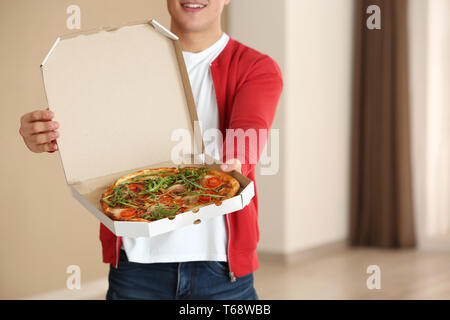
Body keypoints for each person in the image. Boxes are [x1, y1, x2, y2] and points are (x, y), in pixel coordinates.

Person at [19, 0, 283, 300]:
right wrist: (46, 134)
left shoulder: (255, 67)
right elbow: (92, 131)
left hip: (221, 271)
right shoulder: (123, 64)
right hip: (137, 268)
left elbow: (250, 128)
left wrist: (237, 159)